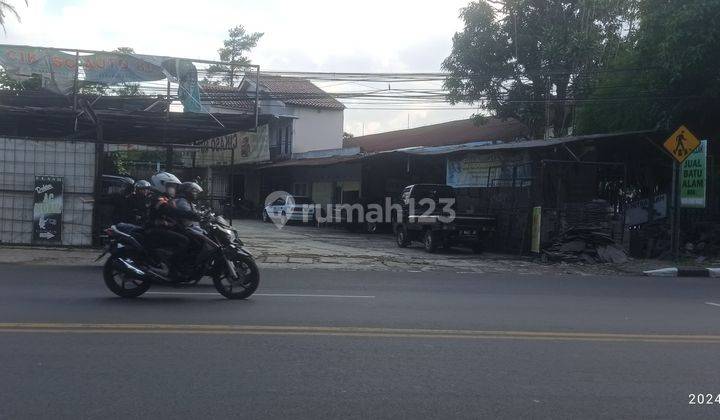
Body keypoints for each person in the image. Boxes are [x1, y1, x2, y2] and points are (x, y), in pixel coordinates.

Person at [143, 172, 198, 274]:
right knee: (184, 241)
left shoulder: (166, 198)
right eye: (170, 186)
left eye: (173, 187)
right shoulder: (157, 198)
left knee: (190, 236)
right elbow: (170, 211)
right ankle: (168, 267)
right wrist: (191, 215)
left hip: (165, 228)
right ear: (161, 185)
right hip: (155, 229)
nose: (173, 189)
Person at [174, 181, 216, 268]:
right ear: (186, 192)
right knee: (201, 242)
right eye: (193, 191)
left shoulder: (188, 201)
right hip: (185, 228)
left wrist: (204, 214)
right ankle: (192, 263)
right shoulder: (182, 201)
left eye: (196, 192)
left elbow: (196, 212)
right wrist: (197, 215)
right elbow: (189, 213)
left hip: (191, 227)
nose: (195, 194)